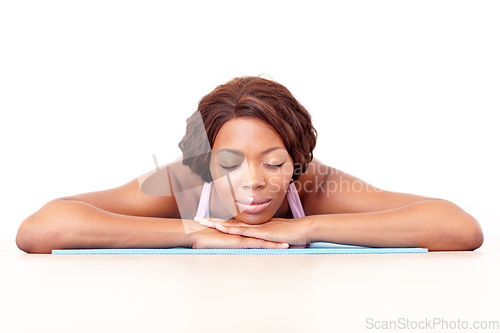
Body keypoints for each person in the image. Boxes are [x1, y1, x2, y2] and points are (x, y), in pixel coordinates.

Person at [16, 76, 484, 254]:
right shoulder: (185, 182)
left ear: (297, 161)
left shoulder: (314, 184)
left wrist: (307, 228)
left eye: (275, 162)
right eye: (230, 164)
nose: (255, 182)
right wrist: (195, 233)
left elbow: (457, 227)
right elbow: (41, 230)